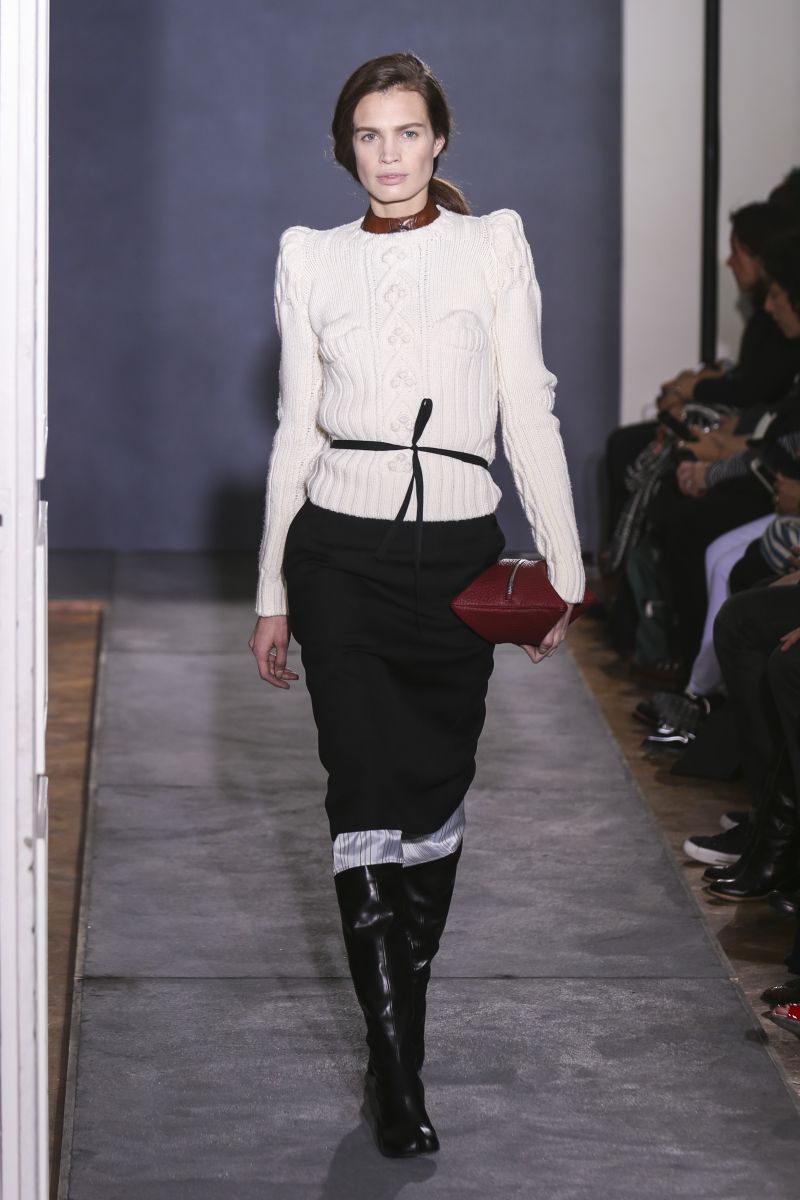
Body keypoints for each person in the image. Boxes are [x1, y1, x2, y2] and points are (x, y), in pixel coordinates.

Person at [248, 52, 585, 1158]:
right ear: (343, 148)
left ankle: (398, 1032)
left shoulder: (493, 246)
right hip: (337, 557)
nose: (387, 155)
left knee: (434, 798)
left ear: (440, 140)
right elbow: (295, 429)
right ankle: (397, 1070)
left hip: (456, 560)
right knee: (361, 791)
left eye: (406, 132)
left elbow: (527, 407)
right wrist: (272, 591)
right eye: (367, 135)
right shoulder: (311, 257)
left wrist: (564, 568)